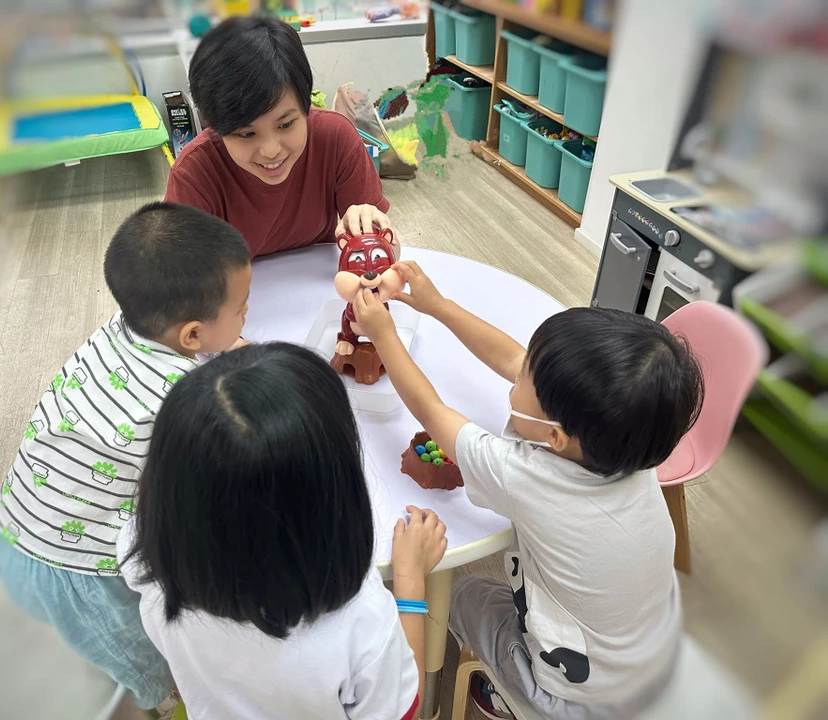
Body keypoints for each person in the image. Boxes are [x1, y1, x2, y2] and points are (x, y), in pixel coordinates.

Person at [351, 262, 705, 720]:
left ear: (555, 436)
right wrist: (437, 305)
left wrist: (383, 336)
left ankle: (511, 698)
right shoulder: (625, 447)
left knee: (462, 593)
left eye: (522, 382)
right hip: (650, 660)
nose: (515, 376)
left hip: (569, 701)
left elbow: (431, 410)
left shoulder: (526, 476)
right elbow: (511, 357)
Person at [0, 202, 251, 718]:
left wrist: (228, 341)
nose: (247, 315)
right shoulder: (181, 402)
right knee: (157, 668)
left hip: (14, 526)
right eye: (242, 307)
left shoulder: (126, 325)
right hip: (79, 574)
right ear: (193, 335)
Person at [118, 342, 448, 720]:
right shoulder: (361, 624)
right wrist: (409, 583)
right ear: (335, 496)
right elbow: (403, 709)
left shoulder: (144, 556)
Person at [165, 16, 391, 257]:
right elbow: (180, 283)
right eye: (247, 133)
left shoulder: (335, 138)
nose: (271, 150)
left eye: (285, 124)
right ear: (216, 126)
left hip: (319, 287)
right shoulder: (195, 175)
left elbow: (386, 257)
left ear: (305, 103)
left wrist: (374, 230)